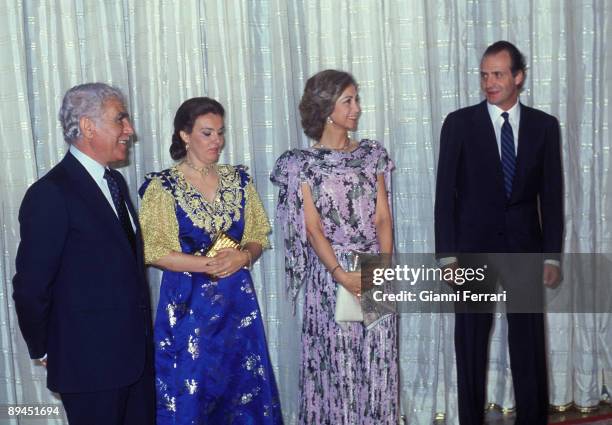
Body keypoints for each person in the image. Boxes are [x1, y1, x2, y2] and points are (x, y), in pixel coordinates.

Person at [434, 41, 563, 425]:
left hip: (525, 249)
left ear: (518, 77)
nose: (489, 83)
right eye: (484, 75)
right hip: (471, 252)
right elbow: (445, 198)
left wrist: (552, 255)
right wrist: (448, 256)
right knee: (471, 344)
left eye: (498, 75)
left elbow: (552, 197)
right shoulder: (458, 124)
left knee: (528, 345)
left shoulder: (544, 126)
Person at [12, 83, 155, 425]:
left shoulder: (116, 184)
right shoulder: (50, 194)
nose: (130, 130)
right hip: (88, 367)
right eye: (121, 119)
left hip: (136, 363)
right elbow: (31, 286)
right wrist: (46, 347)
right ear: (89, 127)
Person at [138, 96, 283, 424]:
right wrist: (212, 264)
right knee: (191, 388)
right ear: (184, 135)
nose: (217, 140)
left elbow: (259, 235)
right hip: (188, 304)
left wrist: (244, 256)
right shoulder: (163, 188)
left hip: (237, 305)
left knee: (242, 387)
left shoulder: (239, 180)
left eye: (220, 132)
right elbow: (155, 251)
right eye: (207, 133)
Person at [271, 69, 398, 424]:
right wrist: (342, 275)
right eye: (349, 100)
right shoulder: (301, 164)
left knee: (379, 359)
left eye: (357, 99)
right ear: (327, 108)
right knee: (337, 363)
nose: (357, 108)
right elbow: (312, 230)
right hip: (330, 275)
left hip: (375, 267)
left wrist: (381, 267)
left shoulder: (372, 154)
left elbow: (383, 217)